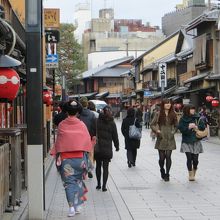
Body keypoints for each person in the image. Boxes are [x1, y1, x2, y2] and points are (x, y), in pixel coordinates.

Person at [54, 100, 92, 217]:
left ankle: (71, 208)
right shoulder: (82, 125)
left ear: (66, 112)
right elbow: (87, 142)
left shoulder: (62, 125)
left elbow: (59, 142)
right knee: (79, 181)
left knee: (69, 184)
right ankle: (78, 205)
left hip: (66, 161)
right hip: (80, 159)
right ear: (77, 112)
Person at [150, 98, 178, 182]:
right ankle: (162, 169)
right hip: (161, 137)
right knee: (162, 158)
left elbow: (177, 125)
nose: (168, 105)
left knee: (168, 156)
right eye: (166, 103)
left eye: (169, 103)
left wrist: (173, 132)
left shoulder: (173, 113)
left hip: (170, 137)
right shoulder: (158, 114)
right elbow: (152, 124)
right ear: (163, 105)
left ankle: (167, 173)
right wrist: (157, 130)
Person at [94, 105, 119, 192]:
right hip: (107, 148)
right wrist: (117, 146)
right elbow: (115, 136)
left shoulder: (97, 121)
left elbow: (93, 133)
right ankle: (104, 186)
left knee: (98, 166)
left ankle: (98, 184)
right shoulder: (112, 123)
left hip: (98, 148)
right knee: (105, 167)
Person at [178, 104, 205, 181]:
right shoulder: (183, 119)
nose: (193, 110)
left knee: (195, 160)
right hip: (186, 141)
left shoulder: (197, 117)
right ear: (187, 110)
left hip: (196, 140)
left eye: (193, 109)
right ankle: (190, 174)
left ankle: (194, 169)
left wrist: (197, 127)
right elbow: (181, 129)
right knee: (189, 158)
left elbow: (203, 127)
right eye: (191, 109)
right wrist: (188, 127)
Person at [79, 97, 96, 178]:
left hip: (80, 137)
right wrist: (93, 136)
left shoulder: (78, 115)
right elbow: (94, 127)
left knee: (82, 154)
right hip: (89, 137)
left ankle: (83, 170)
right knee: (89, 154)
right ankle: (89, 168)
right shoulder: (92, 114)